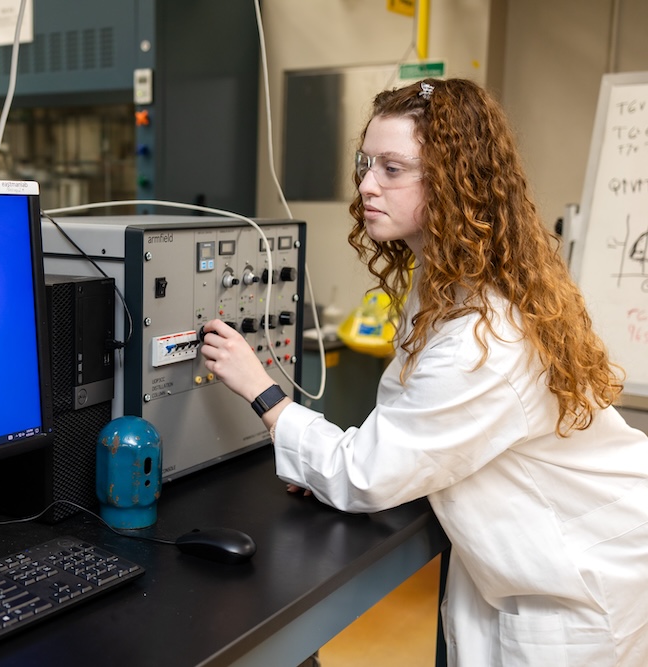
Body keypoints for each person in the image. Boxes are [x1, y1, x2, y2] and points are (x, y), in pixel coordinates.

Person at [200, 78, 648, 665]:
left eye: (392, 169)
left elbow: (368, 475)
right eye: (366, 164)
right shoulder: (448, 280)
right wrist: (338, 463)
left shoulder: (487, 336)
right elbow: (409, 431)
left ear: (455, 182)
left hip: (579, 580)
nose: (365, 186)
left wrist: (263, 391)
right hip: (532, 557)